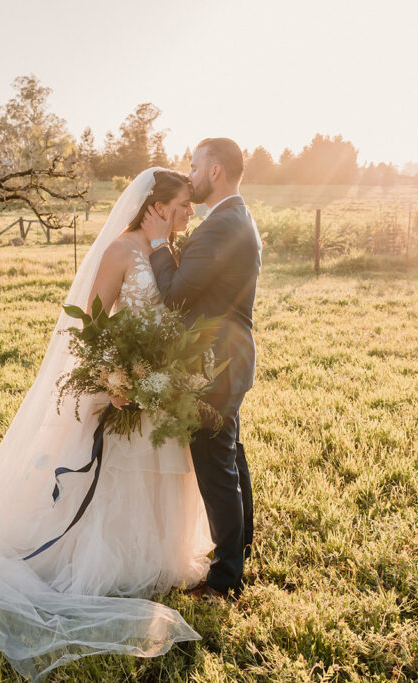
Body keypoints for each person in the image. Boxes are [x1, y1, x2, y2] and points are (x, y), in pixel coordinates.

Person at [0, 168, 214, 681]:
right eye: (180, 206)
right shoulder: (121, 251)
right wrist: (117, 376)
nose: (188, 215)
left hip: (160, 386)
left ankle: (155, 553)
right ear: (153, 205)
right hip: (124, 384)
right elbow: (92, 325)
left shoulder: (168, 250)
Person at [141, 137, 261, 597]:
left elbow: (175, 295)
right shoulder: (235, 217)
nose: (188, 176)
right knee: (229, 454)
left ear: (215, 171)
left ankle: (226, 578)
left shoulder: (220, 226)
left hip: (215, 362)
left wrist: (156, 243)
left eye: (194, 167)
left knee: (216, 465)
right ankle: (242, 542)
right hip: (227, 356)